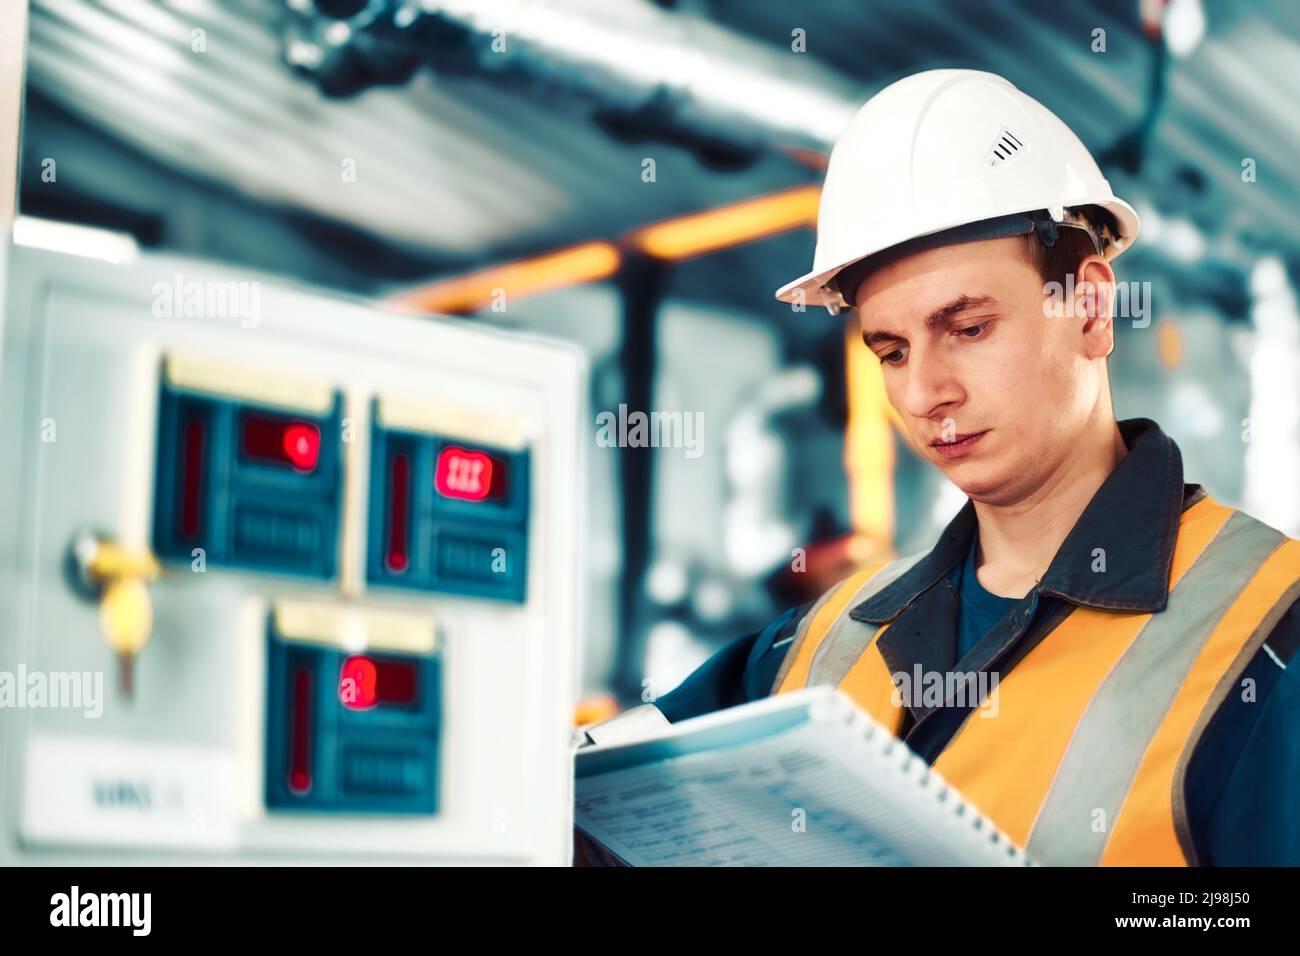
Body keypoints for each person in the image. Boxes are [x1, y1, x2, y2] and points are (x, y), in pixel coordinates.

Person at [586, 70, 1300, 866]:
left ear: (1091, 309)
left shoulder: (1270, 629)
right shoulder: (822, 643)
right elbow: (589, 808)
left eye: (967, 328)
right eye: (891, 351)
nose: (926, 393)